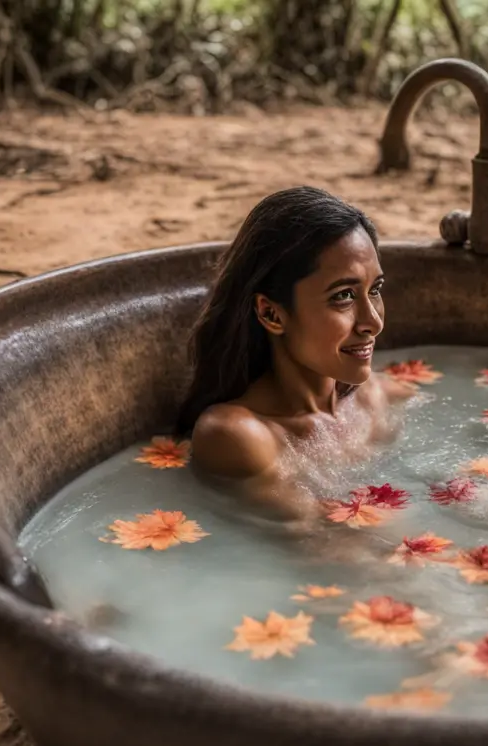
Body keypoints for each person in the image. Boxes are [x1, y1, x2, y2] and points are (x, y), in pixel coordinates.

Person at [175, 187, 414, 529]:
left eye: (374, 290)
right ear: (271, 313)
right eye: (343, 296)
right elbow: (321, 541)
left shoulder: (374, 398)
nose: (373, 322)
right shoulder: (239, 436)